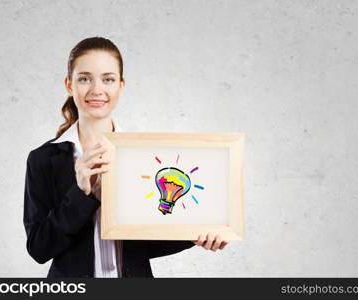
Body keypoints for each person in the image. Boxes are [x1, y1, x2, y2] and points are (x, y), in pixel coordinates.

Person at [23, 36, 228, 278]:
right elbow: (39, 248)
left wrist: (195, 235)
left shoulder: (141, 157)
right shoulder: (43, 159)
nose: (96, 89)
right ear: (69, 84)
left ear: (121, 85)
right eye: (84, 78)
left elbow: (142, 244)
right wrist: (80, 194)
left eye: (108, 79)